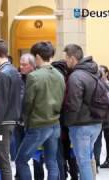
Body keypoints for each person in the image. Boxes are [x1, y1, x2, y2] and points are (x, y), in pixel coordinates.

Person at [15, 42, 65, 180]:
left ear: (37, 56)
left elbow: (28, 102)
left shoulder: (34, 76)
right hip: (55, 123)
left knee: (21, 160)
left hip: (38, 124)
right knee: (51, 161)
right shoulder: (59, 75)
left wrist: (25, 121)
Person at [63, 44, 102, 180]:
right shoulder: (93, 72)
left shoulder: (76, 76)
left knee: (83, 162)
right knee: (88, 158)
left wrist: (67, 122)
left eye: (66, 59)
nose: (66, 62)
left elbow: (73, 104)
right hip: (96, 123)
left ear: (73, 58)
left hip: (81, 125)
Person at [0, 40, 23, 180]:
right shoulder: (14, 71)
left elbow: (0, 104)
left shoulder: (2, 74)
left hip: (2, 123)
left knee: (3, 161)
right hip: (11, 119)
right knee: (3, 159)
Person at [93, 65, 109, 169]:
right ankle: (97, 161)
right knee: (98, 138)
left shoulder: (108, 85)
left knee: (106, 137)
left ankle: (107, 158)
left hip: (105, 117)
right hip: (104, 116)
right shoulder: (101, 84)